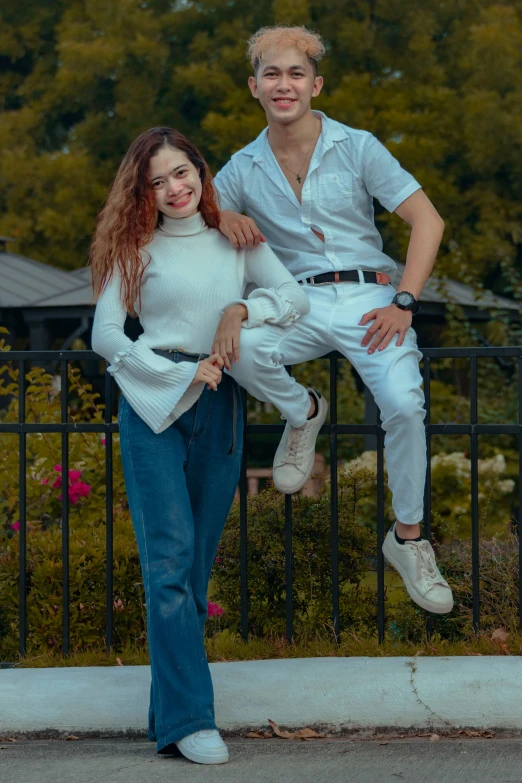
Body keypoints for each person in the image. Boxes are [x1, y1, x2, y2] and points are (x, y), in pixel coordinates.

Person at [90, 127, 312, 764]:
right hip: (153, 409)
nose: (174, 188)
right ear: (143, 192)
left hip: (220, 408)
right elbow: (107, 336)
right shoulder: (136, 248)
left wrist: (240, 314)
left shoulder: (235, 239)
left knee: (191, 572)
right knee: (167, 568)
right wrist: (174, 373)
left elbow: (291, 297)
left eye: (182, 172)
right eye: (157, 181)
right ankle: (192, 719)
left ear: (201, 171)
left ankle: (169, 716)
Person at [214, 25, 454, 615]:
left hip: (371, 299)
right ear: (254, 87)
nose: (284, 84)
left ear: (315, 84)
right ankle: (304, 412)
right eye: (272, 74)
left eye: (296, 74)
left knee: (402, 405)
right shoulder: (242, 167)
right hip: (295, 301)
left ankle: (408, 539)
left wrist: (404, 301)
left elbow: (429, 221)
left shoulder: (359, 145)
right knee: (236, 345)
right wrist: (220, 217)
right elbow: (193, 215)